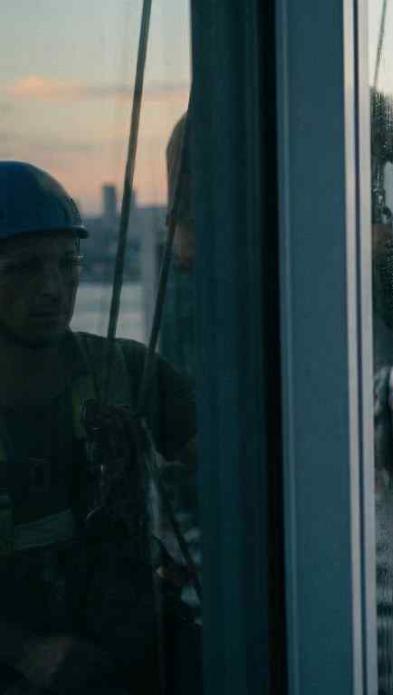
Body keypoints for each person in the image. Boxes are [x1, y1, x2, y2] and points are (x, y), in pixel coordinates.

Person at [0, 161, 199, 693]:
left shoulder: (125, 372)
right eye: (23, 267)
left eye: (67, 263)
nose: (51, 287)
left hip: (141, 658)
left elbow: (239, 464)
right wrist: (26, 652)